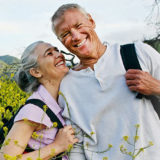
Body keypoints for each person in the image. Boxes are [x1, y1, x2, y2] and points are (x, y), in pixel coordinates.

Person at [51, 3, 160, 160]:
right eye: (65, 34)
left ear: (91, 21)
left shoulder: (136, 53)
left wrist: (156, 87)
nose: (75, 36)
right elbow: (76, 144)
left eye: (78, 25)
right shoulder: (67, 85)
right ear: (61, 42)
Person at [0, 41, 78, 160]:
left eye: (56, 50)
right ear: (36, 72)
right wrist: (57, 146)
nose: (58, 54)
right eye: (49, 53)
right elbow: (6, 158)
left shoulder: (60, 102)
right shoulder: (33, 111)